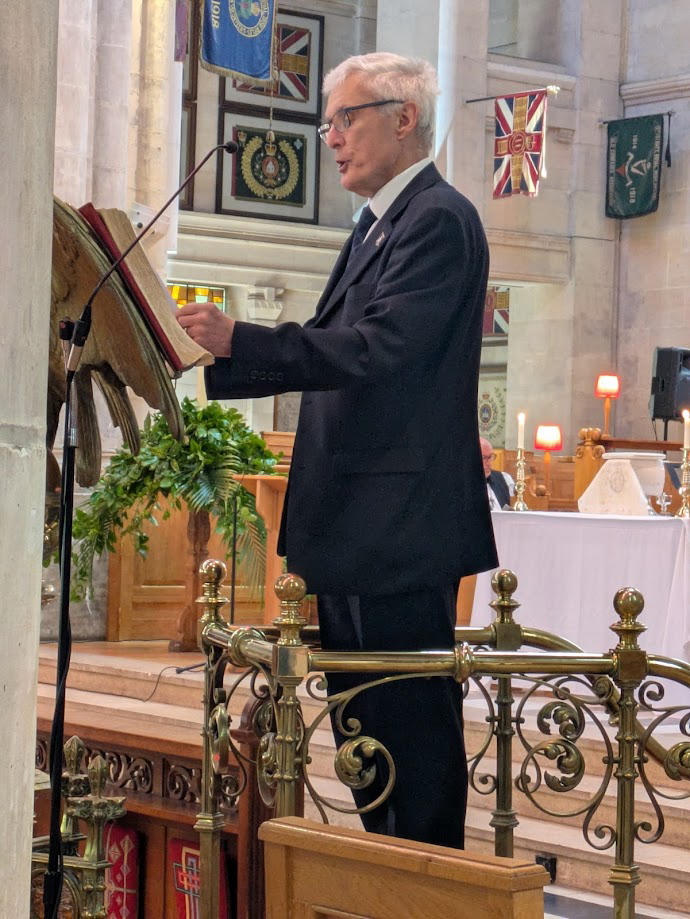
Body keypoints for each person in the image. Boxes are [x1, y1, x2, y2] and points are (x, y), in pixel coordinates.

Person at [177, 52, 497, 849]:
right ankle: (381, 877)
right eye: (328, 124)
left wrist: (242, 338)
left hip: (399, 528)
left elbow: (373, 349)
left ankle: (424, 890)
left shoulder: (437, 218)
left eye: (346, 118)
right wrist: (221, 355)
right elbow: (335, 349)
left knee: (410, 748)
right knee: (366, 742)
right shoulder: (378, 224)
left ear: (404, 117)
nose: (333, 139)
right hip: (360, 524)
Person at [480, 436, 515, 511]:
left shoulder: (502, 479)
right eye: (483, 458)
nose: (489, 463)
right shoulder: (463, 485)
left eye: (491, 457)